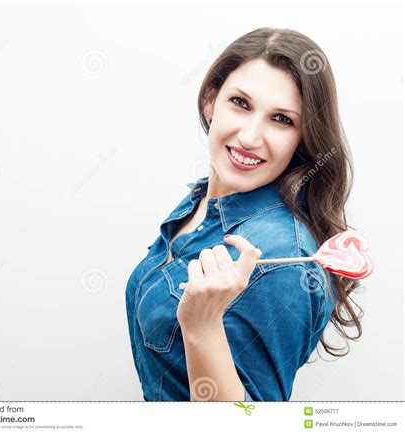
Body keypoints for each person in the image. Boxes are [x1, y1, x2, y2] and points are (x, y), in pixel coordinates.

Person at [125, 27, 362, 401]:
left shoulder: (280, 260)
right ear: (210, 101)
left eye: (282, 119)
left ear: (304, 138)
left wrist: (202, 328)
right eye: (240, 103)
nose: (250, 137)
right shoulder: (201, 201)